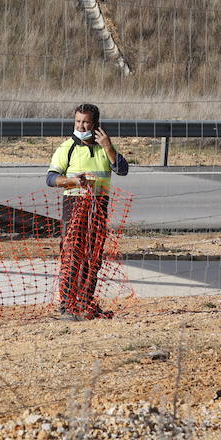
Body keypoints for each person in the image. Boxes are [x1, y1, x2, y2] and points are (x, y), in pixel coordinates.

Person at [46, 103, 128, 320]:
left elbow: (122, 170)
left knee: (92, 256)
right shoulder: (66, 148)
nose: (81, 126)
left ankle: (84, 302)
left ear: (96, 125)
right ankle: (66, 305)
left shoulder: (105, 148)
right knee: (72, 254)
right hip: (73, 205)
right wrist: (71, 181)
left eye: (86, 122)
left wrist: (108, 146)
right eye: (78, 121)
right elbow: (51, 178)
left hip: (98, 207)